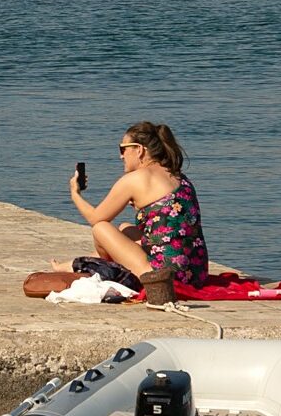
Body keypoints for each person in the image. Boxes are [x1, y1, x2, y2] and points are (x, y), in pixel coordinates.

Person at [66, 121, 209, 306]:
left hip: (162, 276)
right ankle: (86, 261)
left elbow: (96, 218)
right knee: (126, 229)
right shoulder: (178, 176)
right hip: (195, 272)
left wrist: (75, 193)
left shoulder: (135, 179)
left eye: (123, 149)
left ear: (139, 150)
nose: (120, 156)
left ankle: (94, 264)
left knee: (101, 228)